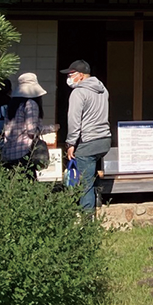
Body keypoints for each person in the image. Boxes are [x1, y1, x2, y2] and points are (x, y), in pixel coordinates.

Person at [61, 59, 111, 212]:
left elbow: (74, 120)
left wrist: (70, 144)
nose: (69, 78)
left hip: (88, 141)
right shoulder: (103, 90)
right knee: (91, 174)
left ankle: (87, 222)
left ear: (81, 75)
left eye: (71, 74)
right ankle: (97, 204)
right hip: (104, 139)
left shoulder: (78, 92)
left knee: (85, 184)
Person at [0, 72, 48, 177]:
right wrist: (51, 128)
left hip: (8, 152)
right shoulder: (31, 104)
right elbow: (31, 131)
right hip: (24, 152)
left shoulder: (12, 105)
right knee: (28, 184)